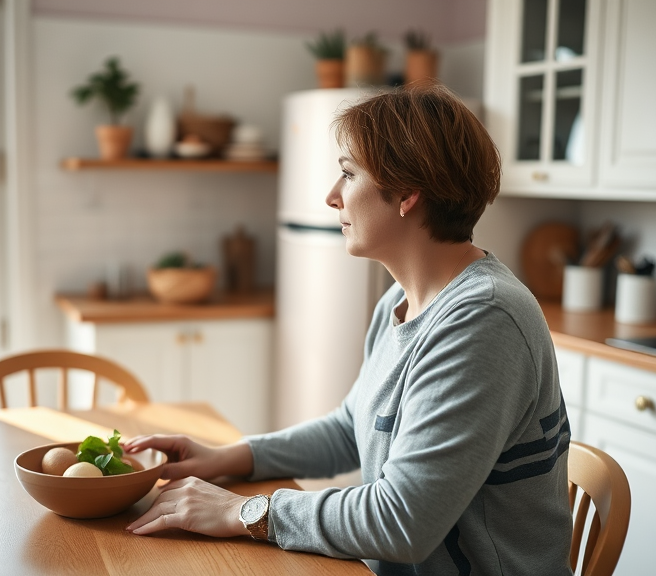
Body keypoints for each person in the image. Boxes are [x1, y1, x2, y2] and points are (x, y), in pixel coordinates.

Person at [125, 84, 573, 576]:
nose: (331, 196)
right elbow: (350, 427)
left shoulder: (483, 320)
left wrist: (241, 510)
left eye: (347, 173)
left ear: (407, 193)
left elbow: (402, 520)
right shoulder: (401, 302)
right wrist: (229, 457)